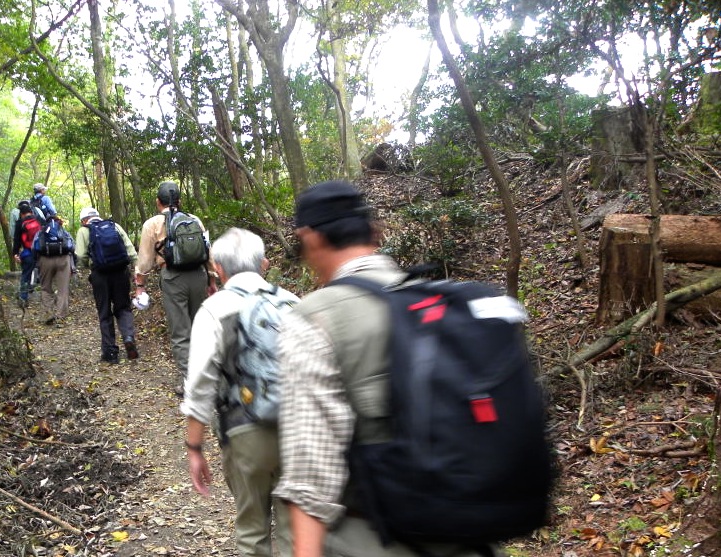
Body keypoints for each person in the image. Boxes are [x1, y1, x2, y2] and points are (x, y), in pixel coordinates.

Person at [274, 180, 495, 557]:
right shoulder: (438, 301)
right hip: (470, 536)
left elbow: (312, 481)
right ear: (375, 233)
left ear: (309, 238)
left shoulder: (315, 319)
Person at [181, 228, 295, 557]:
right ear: (265, 264)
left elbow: (200, 384)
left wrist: (195, 447)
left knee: (252, 529)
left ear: (217, 268)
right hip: (296, 429)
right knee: (294, 531)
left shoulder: (215, 309)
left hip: (244, 432)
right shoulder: (293, 302)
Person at [134, 181, 217, 393]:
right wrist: (212, 280)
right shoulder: (194, 219)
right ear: (179, 201)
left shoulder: (152, 224)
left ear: (157, 202)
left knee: (180, 332)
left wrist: (140, 285)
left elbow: (145, 260)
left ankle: (189, 380)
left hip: (173, 278)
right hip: (199, 276)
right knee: (200, 326)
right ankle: (206, 374)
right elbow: (207, 252)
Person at [75, 207, 139, 364]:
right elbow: (130, 250)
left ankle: (110, 352)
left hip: (100, 275)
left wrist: (88, 265)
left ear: (84, 221)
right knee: (123, 308)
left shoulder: (84, 231)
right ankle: (129, 338)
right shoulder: (114, 226)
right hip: (121, 272)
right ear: (98, 216)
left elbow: (81, 255)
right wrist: (136, 269)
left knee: (104, 312)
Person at [38, 215, 74, 326]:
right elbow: (72, 247)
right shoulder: (64, 232)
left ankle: (48, 314)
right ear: (60, 222)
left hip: (45, 260)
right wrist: (73, 266)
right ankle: (60, 317)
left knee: (45, 288)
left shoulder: (42, 232)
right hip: (63, 259)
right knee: (63, 289)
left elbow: (34, 248)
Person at [11, 200, 41, 309]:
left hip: (28, 253)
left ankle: (23, 298)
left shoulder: (20, 223)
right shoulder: (39, 220)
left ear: (22, 213)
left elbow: (17, 239)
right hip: (41, 254)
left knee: (25, 276)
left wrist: (15, 253)